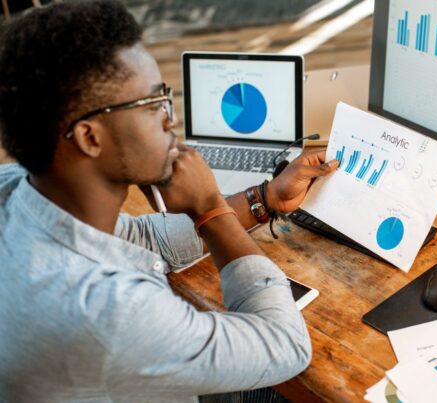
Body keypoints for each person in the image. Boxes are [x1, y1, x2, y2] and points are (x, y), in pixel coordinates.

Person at [0, 1, 339, 402]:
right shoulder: (105, 312)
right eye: (151, 104)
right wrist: (209, 207)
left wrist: (264, 197)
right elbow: (286, 347)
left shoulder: (16, 189)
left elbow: (141, 238)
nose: (170, 120)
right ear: (90, 137)